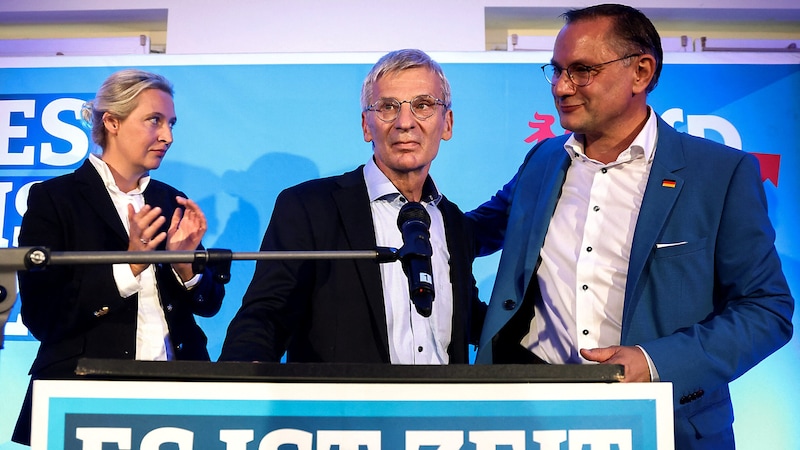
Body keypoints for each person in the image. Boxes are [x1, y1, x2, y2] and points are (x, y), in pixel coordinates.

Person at [468, 4, 794, 449]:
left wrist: (652, 362)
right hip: (533, 419)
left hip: (663, 423)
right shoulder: (543, 160)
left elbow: (766, 310)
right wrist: (399, 200)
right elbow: (469, 233)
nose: (562, 87)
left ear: (640, 72)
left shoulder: (720, 173)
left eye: (582, 71)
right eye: (557, 70)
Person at [220, 49, 485, 365]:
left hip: (441, 413)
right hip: (341, 412)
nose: (405, 122)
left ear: (447, 124)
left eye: (423, 105)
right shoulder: (310, 207)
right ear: (366, 125)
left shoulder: (454, 223)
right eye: (387, 107)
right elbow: (266, 315)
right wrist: (238, 389)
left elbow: (469, 320)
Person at [12, 69, 226, 445]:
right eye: (154, 121)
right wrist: (128, 267)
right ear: (111, 121)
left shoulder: (170, 198)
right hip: (82, 395)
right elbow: (42, 317)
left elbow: (208, 304)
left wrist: (185, 265)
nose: (168, 137)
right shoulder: (56, 199)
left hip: (179, 398)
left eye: (171, 123)